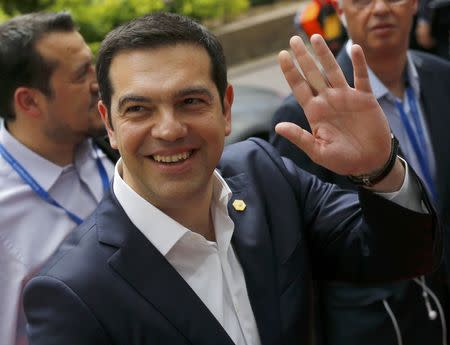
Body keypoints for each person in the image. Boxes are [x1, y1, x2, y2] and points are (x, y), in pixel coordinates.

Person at [23, 12, 439, 345]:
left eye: (190, 101)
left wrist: (379, 166)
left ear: (226, 109)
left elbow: (399, 256)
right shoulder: (72, 292)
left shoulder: (265, 174)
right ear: (109, 125)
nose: (168, 129)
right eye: (139, 109)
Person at [270, 0, 450, 343]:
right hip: (378, 322)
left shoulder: (442, 75)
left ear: (414, 5)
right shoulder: (305, 114)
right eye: (363, 0)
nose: (380, 8)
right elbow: (303, 251)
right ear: (338, 9)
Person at [0, 12, 116, 345]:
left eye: (92, 65)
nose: (100, 83)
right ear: (29, 101)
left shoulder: (108, 139)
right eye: (82, 74)